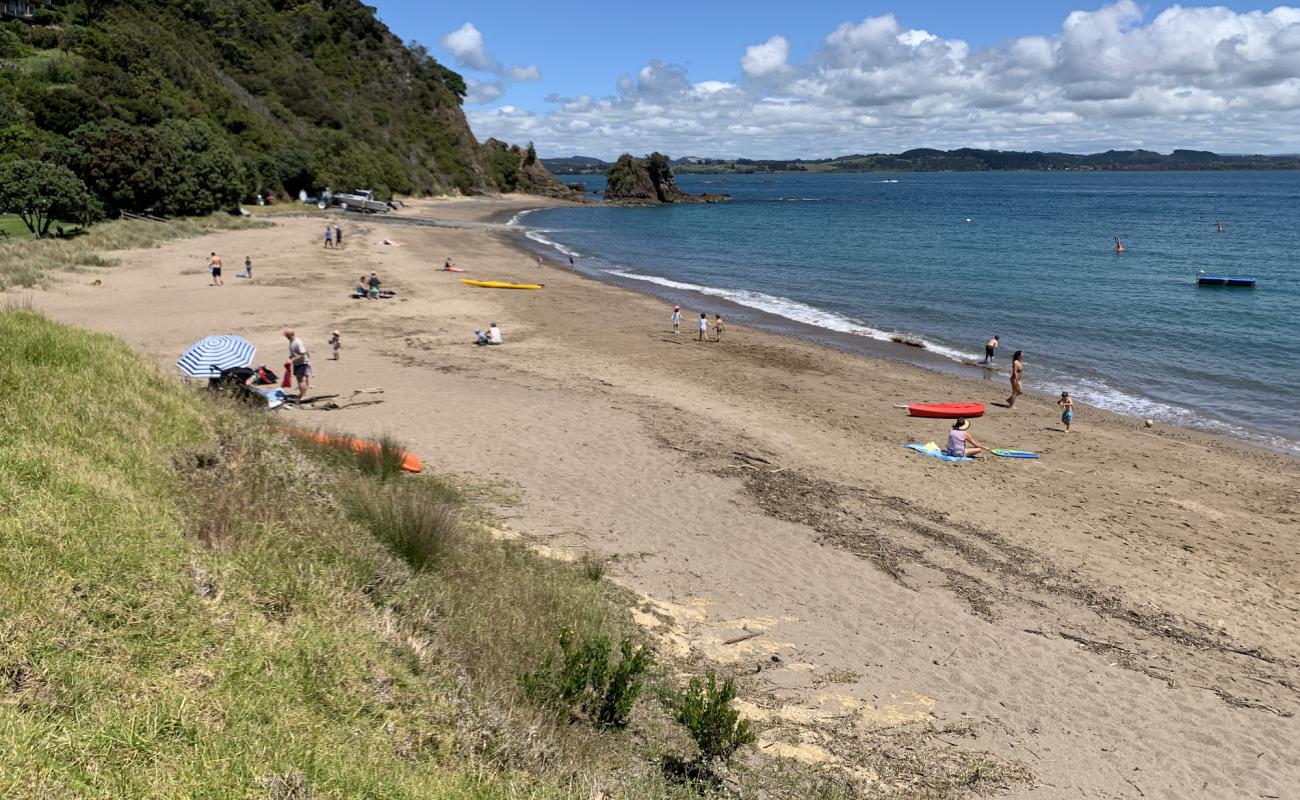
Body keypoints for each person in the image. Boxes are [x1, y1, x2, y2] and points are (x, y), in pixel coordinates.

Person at [283, 328, 311, 398]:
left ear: (290, 335)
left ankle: (303, 396)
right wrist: (289, 358)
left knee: (300, 380)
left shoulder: (298, 342)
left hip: (302, 363)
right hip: (297, 363)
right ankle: (302, 393)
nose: (286, 337)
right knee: (301, 379)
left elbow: (303, 354)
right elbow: (294, 353)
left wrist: (291, 360)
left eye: (286, 335)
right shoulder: (291, 341)